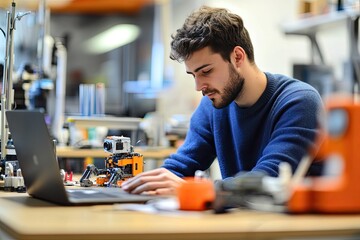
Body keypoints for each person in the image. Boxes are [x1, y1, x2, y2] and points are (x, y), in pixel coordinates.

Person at [122, 6, 324, 195]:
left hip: (294, 229)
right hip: (243, 225)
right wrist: (141, 186)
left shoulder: (299, 102)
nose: (199, 86)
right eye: (194, 75)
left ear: (237, 57)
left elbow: (268, 180)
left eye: (206, 71)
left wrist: (193, 189)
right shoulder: (211, 106)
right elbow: (181, 166)